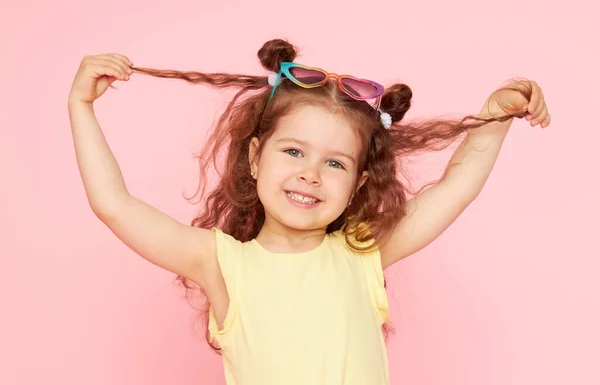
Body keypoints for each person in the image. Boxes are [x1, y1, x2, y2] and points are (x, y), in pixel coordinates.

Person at [67, 39, 550, 385]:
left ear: (359, 183)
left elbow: (455, 188)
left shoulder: (364, 254)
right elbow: (114, 206)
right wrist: (81, 106)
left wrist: (495, 113)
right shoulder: (220, 263)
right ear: (256, 158)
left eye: (335, 162)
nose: (311, 174)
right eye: (293, 152)